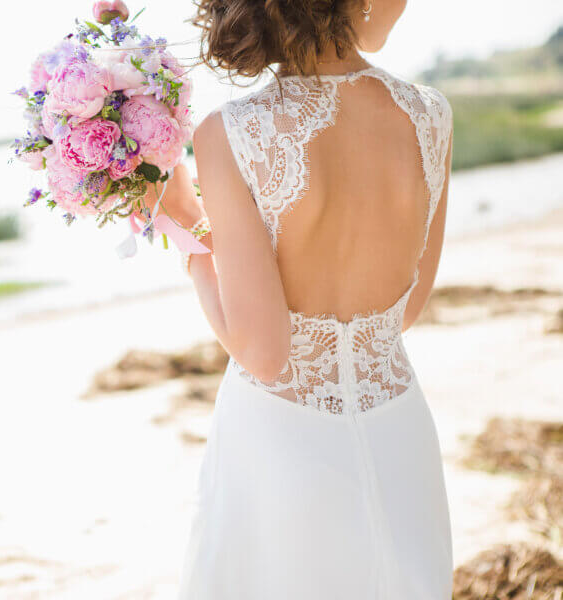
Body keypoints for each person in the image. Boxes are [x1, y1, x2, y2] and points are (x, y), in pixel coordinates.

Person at [145, 0, 455, 597]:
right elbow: (406, 309)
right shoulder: (430, 114)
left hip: (281, 445)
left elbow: (264, 354)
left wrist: (185, 230)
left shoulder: (232, 131)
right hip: (401, 436)